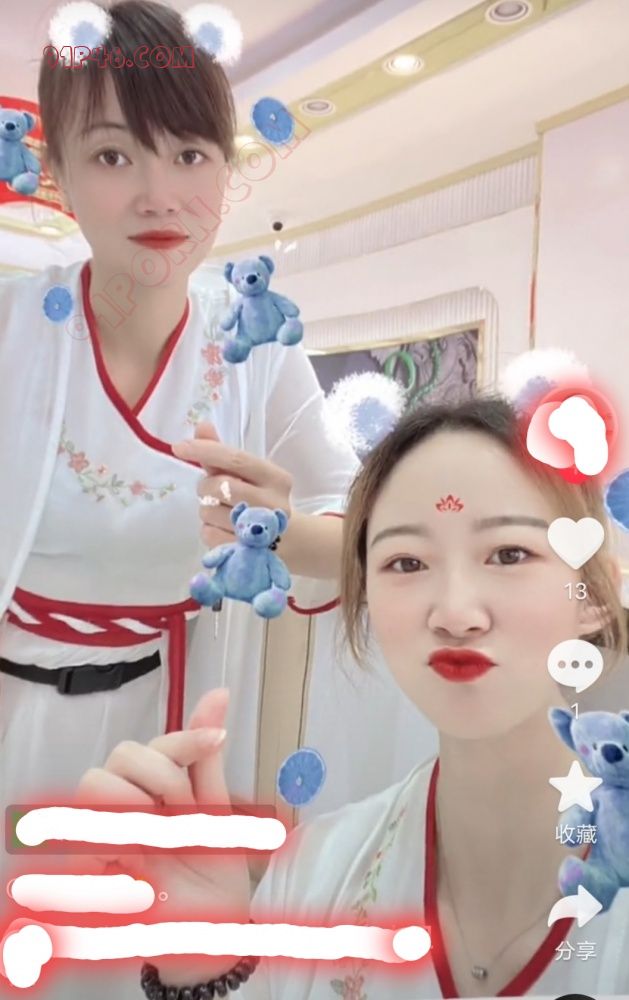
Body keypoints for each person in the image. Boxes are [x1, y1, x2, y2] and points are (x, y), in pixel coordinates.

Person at [71, 393, 629, 1000]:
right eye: (406, 562)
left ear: (593, 595)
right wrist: (200, 967)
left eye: (509, 554)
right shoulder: (314, 875)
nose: (455, 612)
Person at [0, 0, 357, 838]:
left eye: (189, 154)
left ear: (224, 170)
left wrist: (277, 535)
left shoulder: (255, 340)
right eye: (112, 155)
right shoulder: (14, 328)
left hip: (171, 724)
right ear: (58, 172)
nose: (158, 196)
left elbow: (358, 533)